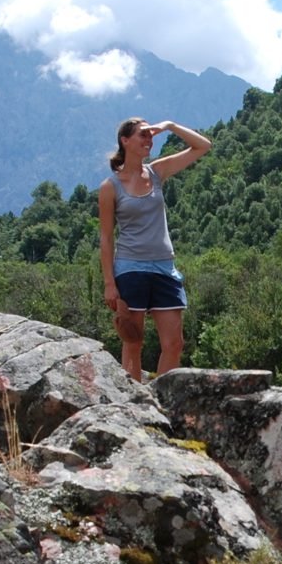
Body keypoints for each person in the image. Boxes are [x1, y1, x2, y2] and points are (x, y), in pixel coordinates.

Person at [99, 116, 211, 380]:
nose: (149, 140)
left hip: (164, 267)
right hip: (130, 268)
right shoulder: (110, 187)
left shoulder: (157, 172)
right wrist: (109, 283)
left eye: (151, 135)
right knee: (133, 341)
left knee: (174, 344)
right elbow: (106, 237)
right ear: (125, 141)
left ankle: (161, 406)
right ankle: (134, 409)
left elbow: (203, 146)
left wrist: (170, 126)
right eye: (143, 135)